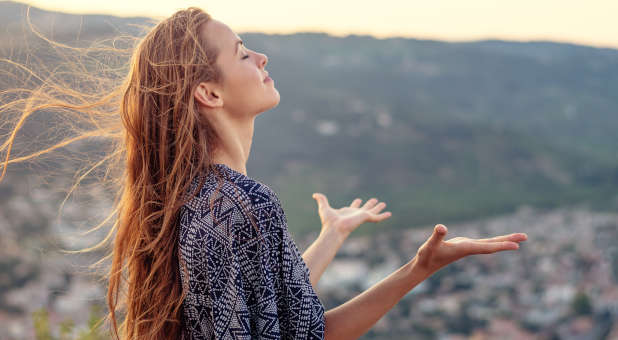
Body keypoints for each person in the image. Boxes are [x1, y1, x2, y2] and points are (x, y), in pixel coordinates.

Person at [0, 7, 528, 340]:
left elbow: (278, 311)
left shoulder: (199, 201)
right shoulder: (243, 203)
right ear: (208, 93)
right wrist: (419, 269)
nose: (261, 55)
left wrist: (334, 238)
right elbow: (311, 332)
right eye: (242, 52)